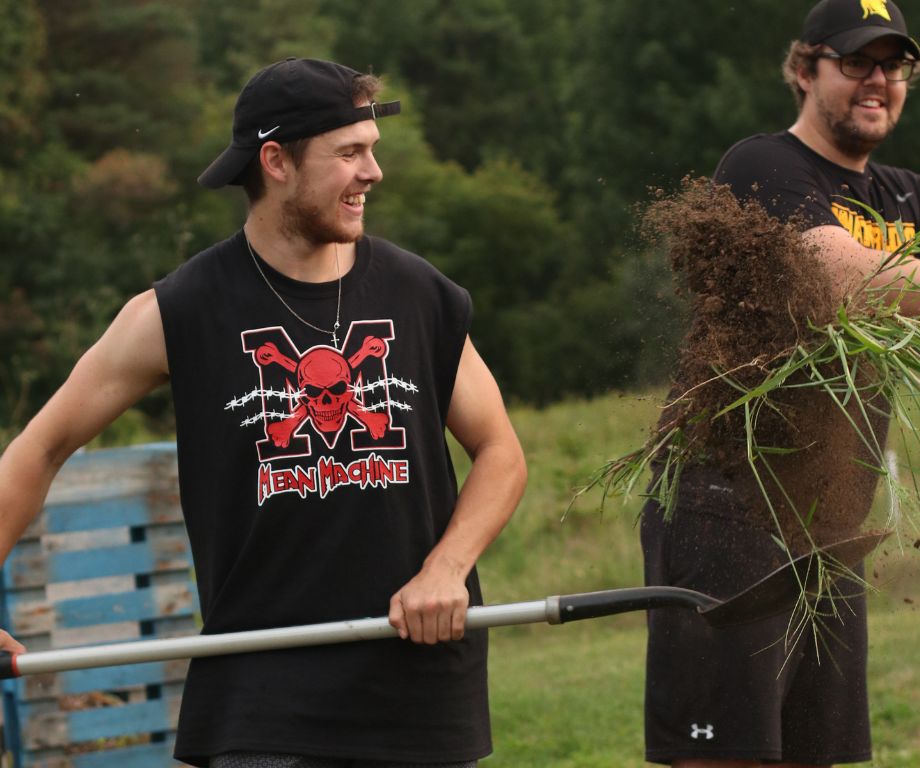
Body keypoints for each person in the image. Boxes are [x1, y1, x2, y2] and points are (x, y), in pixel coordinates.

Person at [0, 57, 527, 768]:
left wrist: (446, 570)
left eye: (372, 150)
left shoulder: (419, 296)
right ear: (275, 161)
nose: (373, 173)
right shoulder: (180, 310)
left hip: (418, 689)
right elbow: (39, 447)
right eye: (349, 153)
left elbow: (500, 453)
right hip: (262, 699)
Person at [642, 1, 920, 766]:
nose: (878, 81)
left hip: (830, 519)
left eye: (894, 65)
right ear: (804, 69)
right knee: (729, 750)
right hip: (730, 503)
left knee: (824, 751)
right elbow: (848, 279)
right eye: (857, 62)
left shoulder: (907, 198)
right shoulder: (763, 166)